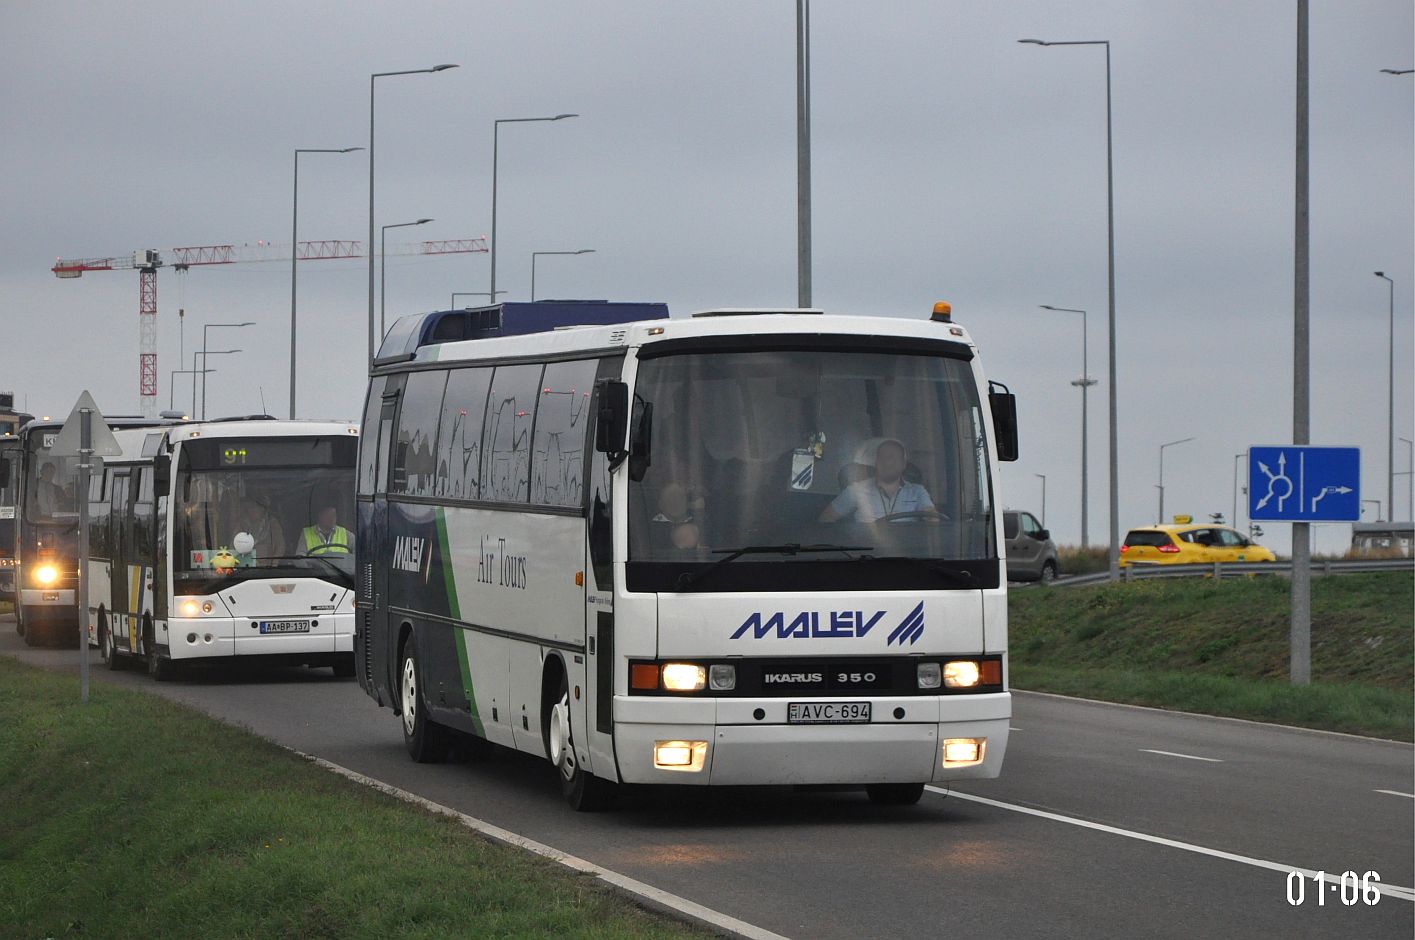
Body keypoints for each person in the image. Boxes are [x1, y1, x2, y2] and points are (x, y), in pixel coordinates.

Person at [819, 439, 937, 523]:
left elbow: (933, 519)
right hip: (866, 554)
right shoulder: (856, 490)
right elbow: (826, 519)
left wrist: (931, 518)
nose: (888, 463)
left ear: (903, 464)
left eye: (893, 458)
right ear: (876, 463)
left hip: (907, 554)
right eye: (883, 457)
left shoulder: (917, 491)